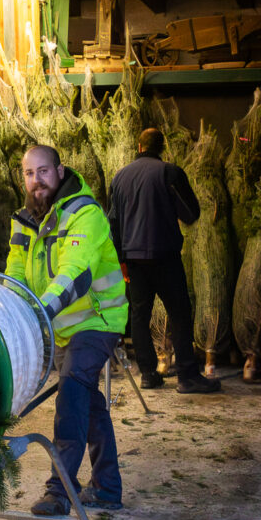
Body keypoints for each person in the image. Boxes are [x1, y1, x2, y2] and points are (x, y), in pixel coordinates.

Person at [6, 144, 129, 515]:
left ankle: (60, 490)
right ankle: (107, 489)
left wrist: (39, 312)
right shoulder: (25, 220)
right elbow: (14, 273)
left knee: (72, 392)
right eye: (29, 173)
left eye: (43, 171)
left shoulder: (84, 212)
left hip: (97, 320)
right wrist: (10, 312)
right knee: (90, 406)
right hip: (61, 326)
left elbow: (74, 273)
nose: (36, 180)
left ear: (60, 171)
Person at [108, 127, 221, 394]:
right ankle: (187, 376)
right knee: (180, 314)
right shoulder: (169, 172)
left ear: (139, 146)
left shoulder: (120, 177)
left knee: (139, 315)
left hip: (133, 260)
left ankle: (148, 374)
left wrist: (121, 259)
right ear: (162, 147)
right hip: (165, 256)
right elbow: (191, 212)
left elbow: (113, 221)